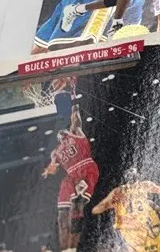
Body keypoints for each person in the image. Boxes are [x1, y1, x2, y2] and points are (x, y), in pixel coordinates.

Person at [42, 102, 100, 252]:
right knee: (65, 210)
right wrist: (48, 170)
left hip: (86, 168)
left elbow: (76, 120)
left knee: (79, 205)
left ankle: (78, 241)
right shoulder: (55, 151)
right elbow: (53, 166)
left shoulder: (74, 133)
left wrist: (75, 107)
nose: (62, 134)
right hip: (72, 176)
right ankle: (68, 244)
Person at [91, 168, 160, 252]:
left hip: (132, 228)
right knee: (153, 207)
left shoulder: (119, 191)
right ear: (137, 177)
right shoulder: (144, 185)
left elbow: (99, 208)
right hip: (143, 225)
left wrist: (102, 207)